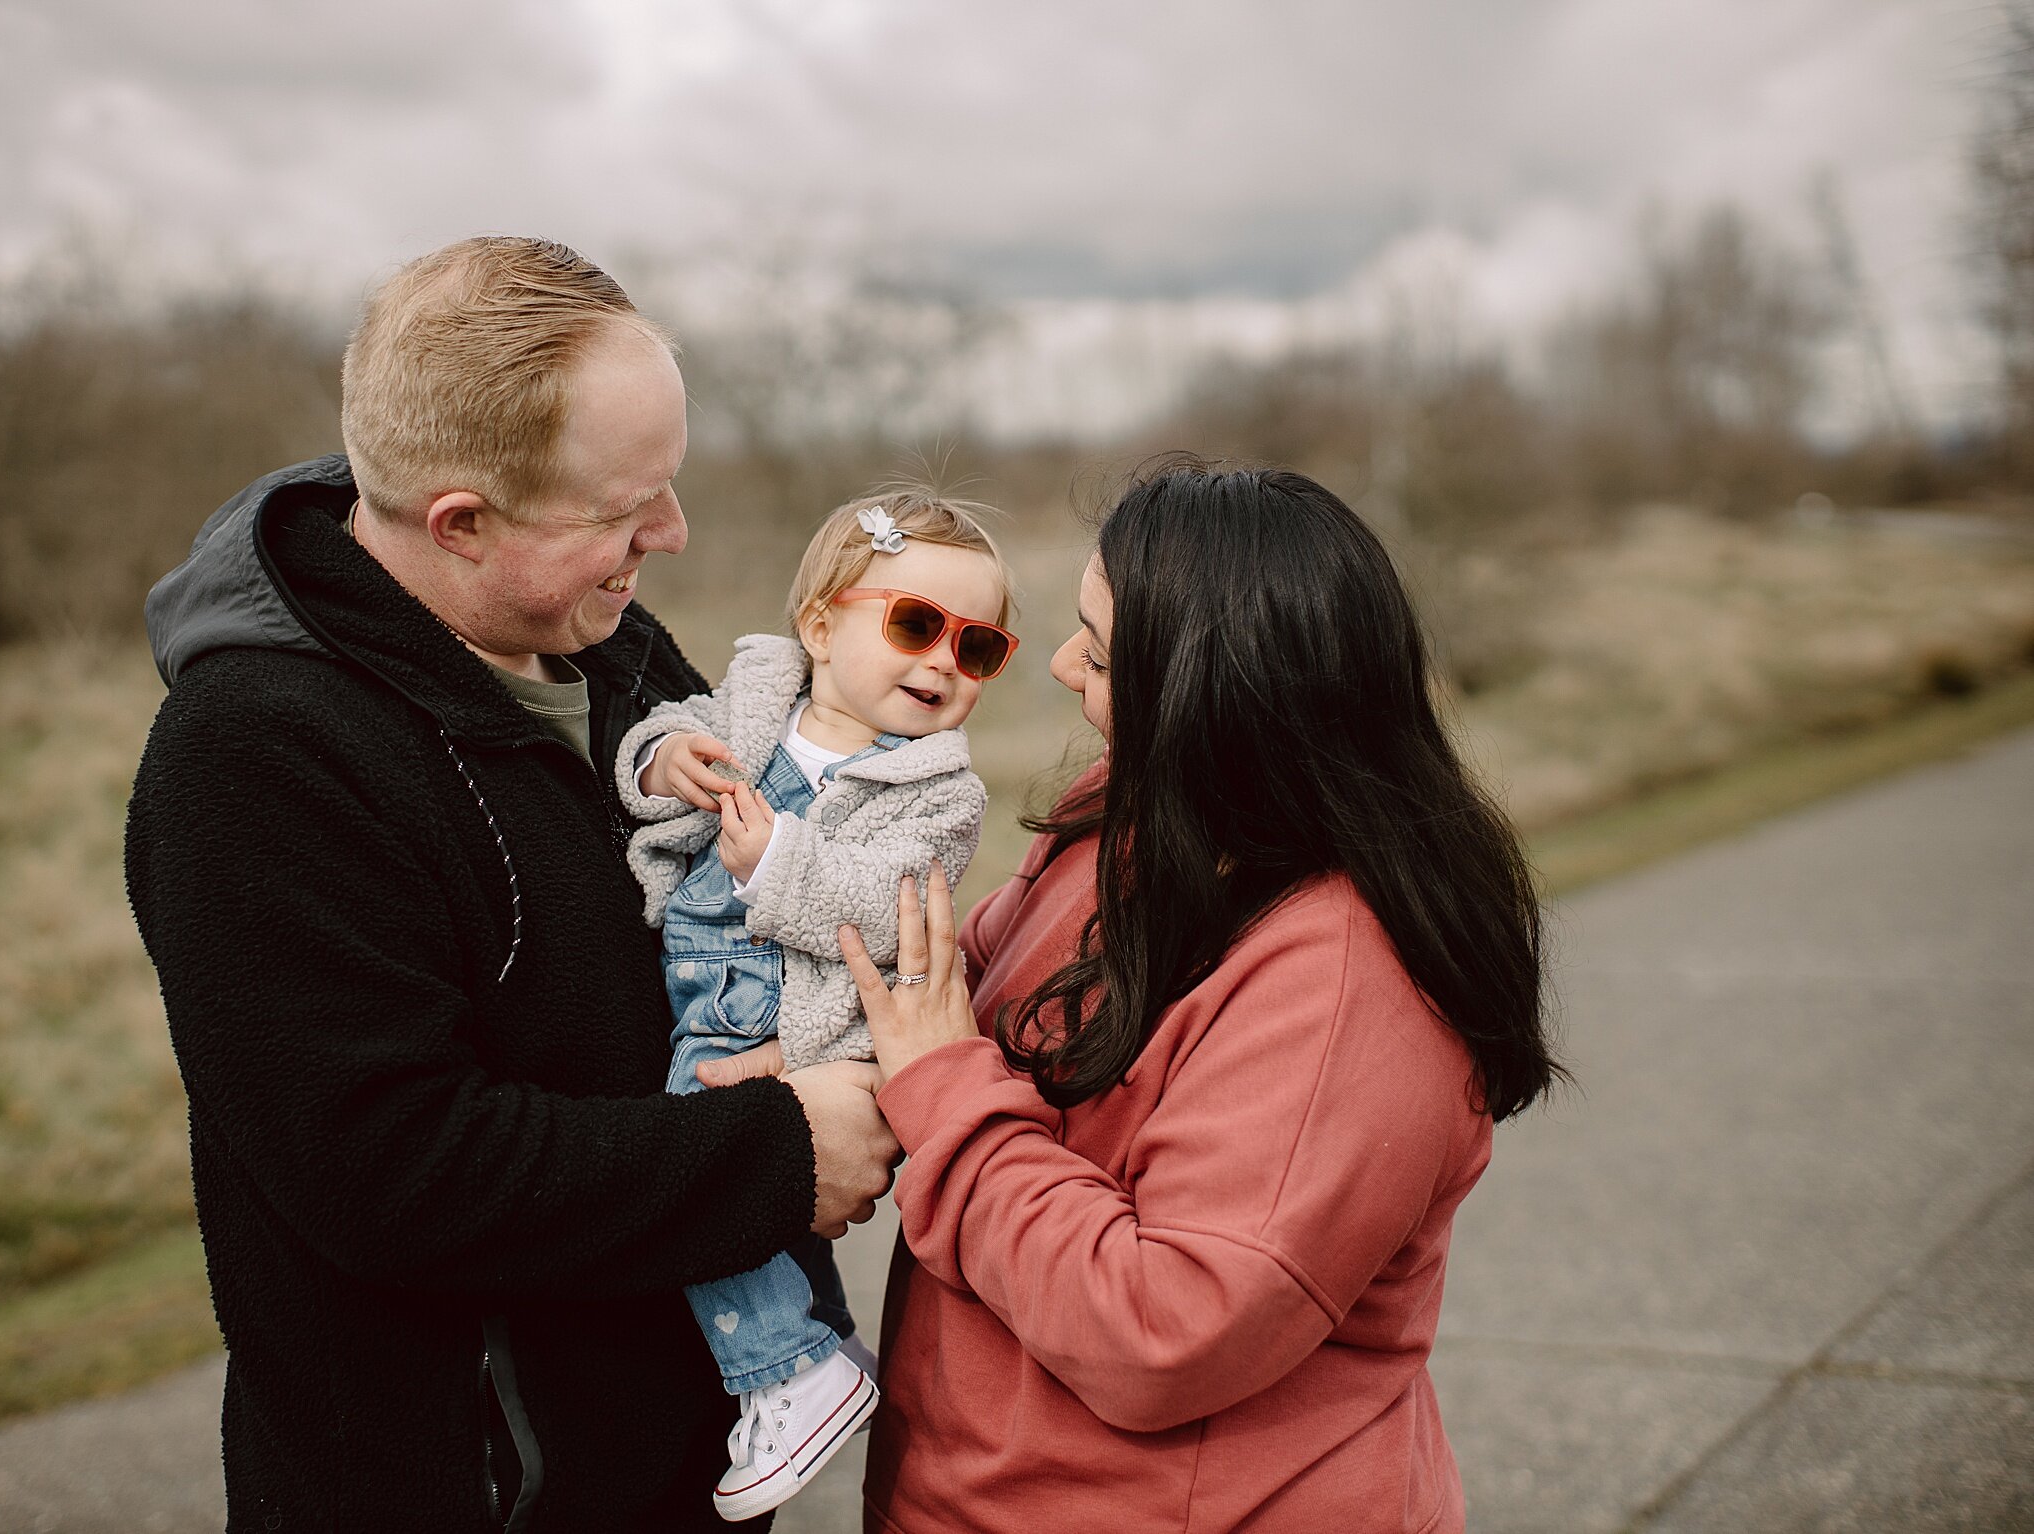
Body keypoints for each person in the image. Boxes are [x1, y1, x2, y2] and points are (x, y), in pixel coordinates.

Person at [123, 236, 899, 1533]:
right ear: (461, 521)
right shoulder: (254, 758)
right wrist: (775, 1155)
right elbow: (394, 1172)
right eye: (622, 509)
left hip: (680, 1483)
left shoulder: (613, 653)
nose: (672, 533)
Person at [839, 461, 1565, 1532]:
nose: (1058, 663)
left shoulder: (1345, 982)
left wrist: (942, 1094)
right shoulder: (1124, 817)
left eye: (1101, 643)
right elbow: (940, 1001)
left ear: (1214, 686)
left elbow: (1167, 1331)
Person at [614, 490, 1017, 1520]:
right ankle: (819, 1337)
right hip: (705, 984)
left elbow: (895, 905)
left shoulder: (935, 790)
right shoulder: (756, 704)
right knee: (766, 1211)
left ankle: (787, 1370)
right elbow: (663, 725)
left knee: (700, 1170)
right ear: (821, 623)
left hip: (791, 1018)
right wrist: (659, 760)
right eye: (916, 626)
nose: (941, 664)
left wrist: (781, 861)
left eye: (976, 650)